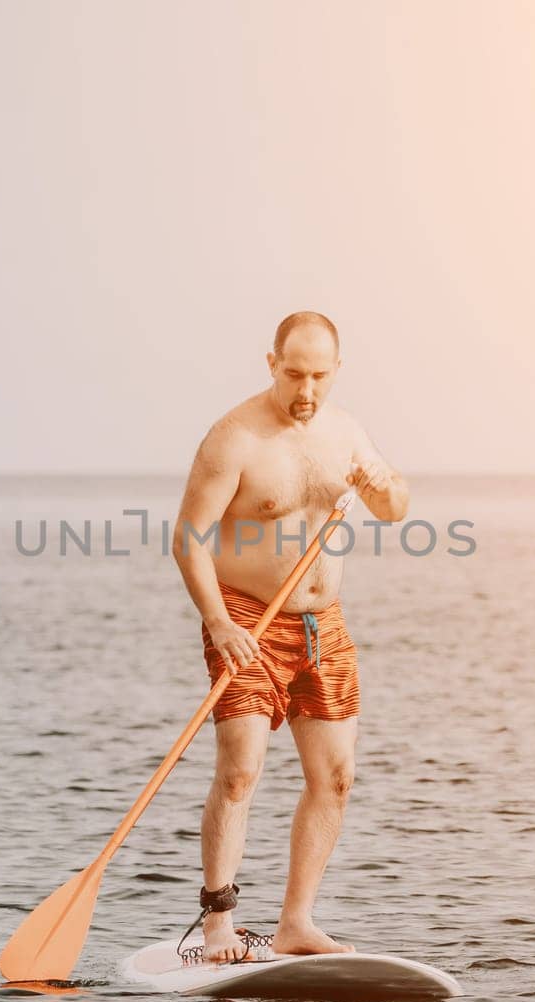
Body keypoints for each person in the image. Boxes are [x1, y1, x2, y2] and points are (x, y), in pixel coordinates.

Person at [173, 311, 409, 962]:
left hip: (322, 622)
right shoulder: (235, 438)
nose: (306, 389)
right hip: (247, 617)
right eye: (295, 373)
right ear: (272, 362)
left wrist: (383, 487)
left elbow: (395, 507)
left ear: (337, 371)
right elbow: (187, 540)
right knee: (241, 770)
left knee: (335, 776)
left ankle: (295, 922)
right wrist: (220, 623)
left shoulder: (347, 431)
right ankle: (219, 922)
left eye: (319, 375)